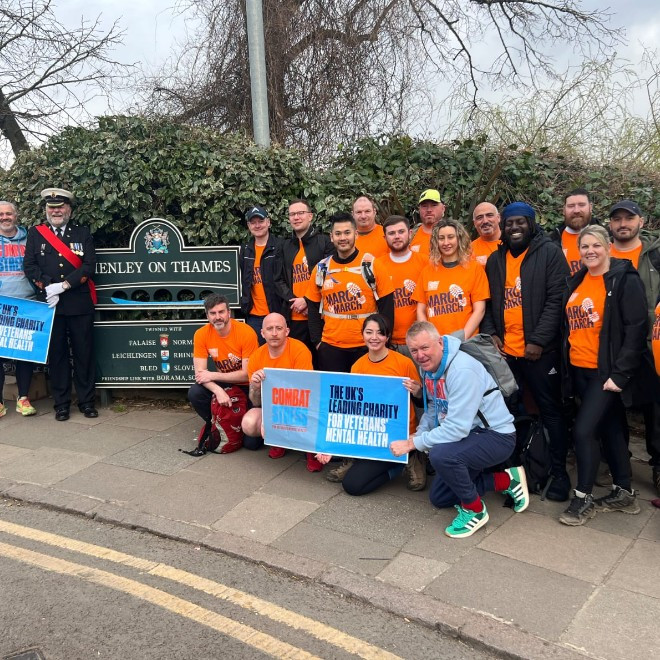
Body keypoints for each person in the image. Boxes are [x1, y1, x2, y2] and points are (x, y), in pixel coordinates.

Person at [390, 322, 529, 539]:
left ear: (439, 342)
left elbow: (456, 429)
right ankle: (508, 480)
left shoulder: (462, 369)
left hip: (496, 436)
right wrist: (420, 432)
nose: (420, 355)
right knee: (441, 498)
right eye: (414, 350)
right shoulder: (429, 367)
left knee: (440, 455)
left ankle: (475, 511)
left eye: (425, 347)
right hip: (470, 436)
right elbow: (434, 407)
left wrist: (412, 443)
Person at [559, 225, 655, 525]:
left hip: (606, 373)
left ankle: (583, 497)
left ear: (608, 247)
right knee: (611, 427)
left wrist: (620, 373)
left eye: (596, 245)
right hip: (580, 370)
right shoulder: (577, 280)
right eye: (584, 246)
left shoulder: (623, 279)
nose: (590, 251)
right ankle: (624, 492)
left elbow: (636, 329)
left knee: (583, 431)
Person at [481, 202, 571, 501]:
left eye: (520, 222)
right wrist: (493, 334)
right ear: (502, 227)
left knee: (550, 411)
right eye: (509, 223)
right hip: (507, 354)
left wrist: (539, 340)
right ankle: (515, 473)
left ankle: (559, 474)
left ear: (531, 224)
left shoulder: (549, 253)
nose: (514, 228)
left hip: (539, 353)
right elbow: (488, 302)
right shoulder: (495, 259)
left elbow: (557, 299)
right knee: (507, 414)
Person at [317, 314, 422, 489]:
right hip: (371, 433)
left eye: (380, 333)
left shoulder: (403, 363)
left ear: (387, 336)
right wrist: (330, 446)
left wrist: (418, 392)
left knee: (354, 485)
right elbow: (353, 408)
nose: (374, 337)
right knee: (353, 485)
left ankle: (412, 457)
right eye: (369, 332)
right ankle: (391, 467)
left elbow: (421, 403)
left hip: (400, 434)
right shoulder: (357, 366)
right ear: (363, 335)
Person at [23, 188, 97, 421]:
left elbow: (89, 265)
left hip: (78, 302)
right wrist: (47, 286)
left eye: (60, 207)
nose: (56, 211)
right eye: (51, 207)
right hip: (50, 305)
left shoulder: (82, 233)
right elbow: (30, 265)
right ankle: (62, 403)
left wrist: (63, 286)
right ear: (46, 210)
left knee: (84, 353)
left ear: (69, 210)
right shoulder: (36, 234)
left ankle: (87, 402)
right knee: (57, 355)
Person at [608, 200, 660, 496]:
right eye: (617, 219)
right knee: (613, 406)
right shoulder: (601, 252)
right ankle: (618, 464)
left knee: (655, 409)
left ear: (641, 221)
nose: (623, 224)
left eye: (629, 218)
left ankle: (658, 466)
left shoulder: (654, 256)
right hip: (613, 346)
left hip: (651, 344)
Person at [305, 212, 394, 373]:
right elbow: (312, 308)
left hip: (367, 346)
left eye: (347, 232)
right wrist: (318, 342)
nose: (343, 238)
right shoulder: (321, 269)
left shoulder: (373, 265)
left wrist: (383, 342)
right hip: (331, 347)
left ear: (356, 234)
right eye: (338, 233)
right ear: (331, 237)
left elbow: (387, 308)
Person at [241, 312, 322, 470]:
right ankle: (279, 440)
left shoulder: (300, 350)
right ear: (262, 333)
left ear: (287, 331)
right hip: (272, 408)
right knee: (249, 424)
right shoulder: (256, 357)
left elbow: (306, 395)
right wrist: (255, 386)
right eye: (269, 329)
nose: (274, 333)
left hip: (301, 407)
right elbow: (256, 402)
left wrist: (273, 421)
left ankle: (310, 449)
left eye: (279, 328)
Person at [188, 294, 260, 448]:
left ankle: (238, 425)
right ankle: (216, 423)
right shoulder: (201, 334)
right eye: (213, 313)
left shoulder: (246, 332)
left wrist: (214, 375)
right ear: (207, 315)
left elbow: (247, 374)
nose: (217, 317)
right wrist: (218, 391)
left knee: (251, 444)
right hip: (225, 384)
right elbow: (200, 374)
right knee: (195, 392)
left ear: (229, 312)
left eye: (221, 312)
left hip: (248, 386)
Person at [273, 199, 333, 355]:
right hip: (294, 319)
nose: (296, 217)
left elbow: (329, 276)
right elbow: (278, 280)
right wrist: (295, 302)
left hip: (321, 318)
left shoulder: (324, 242)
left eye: (300, 213)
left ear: (310, 216)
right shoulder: (284, 246)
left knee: (322, 361)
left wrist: (307, 301)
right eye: (292, 214)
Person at [413, 219, 489, 338]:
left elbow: (480, 310)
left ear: (459, 238)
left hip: (466, 341)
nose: (446, 242)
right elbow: (420, 310)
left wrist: (461, 338)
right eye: (441, 238)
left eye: (450, 237)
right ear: (435, 241)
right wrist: (431, 338)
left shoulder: (474, 269)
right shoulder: (427, 271)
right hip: (436, 343)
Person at [0, 201, 37, 418]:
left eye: (8, 214)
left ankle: (23, 398)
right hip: (1, 305)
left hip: (27, 303)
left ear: (16, 216)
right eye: (1, 214)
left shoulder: (29, 239)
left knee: (25, 354)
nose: (4, 217)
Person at [239, 205, 282, 342]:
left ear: (268, 222)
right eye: (253, 222)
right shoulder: (245, 250)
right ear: (248, 226)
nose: (257, 225)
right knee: (256, 353)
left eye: (261, 221)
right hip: (254, 317)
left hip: (277, 313)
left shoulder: (280, 246)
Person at [551, 188, 599, 276]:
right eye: (571, 206)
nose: (576, 210)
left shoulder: (608, 237)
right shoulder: (551, 242)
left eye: (581, 205)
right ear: (564, 210)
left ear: (590, 207)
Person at [410, 189, 445, 259]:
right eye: (424, 206)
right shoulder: (410, 236)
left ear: (443, 208)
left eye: (434, 205)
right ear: (419, 209)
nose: (429, 210)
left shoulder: (454, 235)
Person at [471, 202, 502, 266]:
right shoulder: (470, 250)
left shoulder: (512, 243)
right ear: (474, 223)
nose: (485, 221)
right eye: (479, 217)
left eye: (489, 215)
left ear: (498, 217)